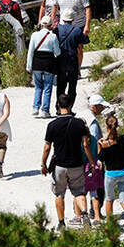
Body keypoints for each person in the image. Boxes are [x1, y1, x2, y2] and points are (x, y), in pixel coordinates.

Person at [42, 95, 95, 230]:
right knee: (78, 192)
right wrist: (91, 162)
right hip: (76, 164)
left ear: (58, 106)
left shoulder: (52, 125)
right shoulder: (79, 123)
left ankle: (61, 223)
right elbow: (85, 145)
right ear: (71, 105)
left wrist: (43, 164)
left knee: (59, 194)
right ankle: (84, 214)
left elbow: (47, 147)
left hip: (59, 165)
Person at [98, 112, 124, 239]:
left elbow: (100, 161)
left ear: (106, 127)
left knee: (109, 200)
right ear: (117, 125)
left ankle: (111, 229)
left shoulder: (105, 143)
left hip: (110, 175)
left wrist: (99, 146)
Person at [27, 18, 60, 118]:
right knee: (47, 87)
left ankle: (35, 107)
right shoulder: (53, 36)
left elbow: (30, 51)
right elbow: (57, 52)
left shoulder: (34, 35)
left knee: (38, 86)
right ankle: (45, 110)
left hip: (37, 62)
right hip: (48, 63)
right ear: (50, 25)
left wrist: (29, 66)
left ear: (41, 24)